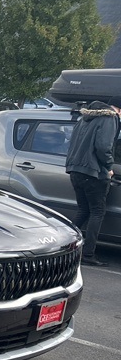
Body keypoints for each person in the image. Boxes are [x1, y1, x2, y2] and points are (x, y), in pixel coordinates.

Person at [65, 94, 121, 266]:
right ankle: (88, 254)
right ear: (118, 109)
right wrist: (109, 167)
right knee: (97, 211)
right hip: (94, 172)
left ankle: (65, 246)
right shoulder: (109, 119)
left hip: (76, 170)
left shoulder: (85, 118)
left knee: (83, 210)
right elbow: (103, 147)